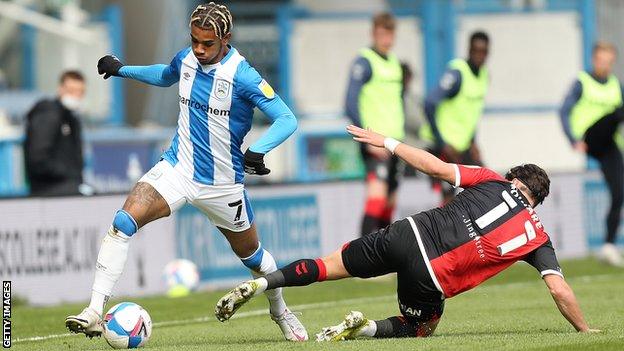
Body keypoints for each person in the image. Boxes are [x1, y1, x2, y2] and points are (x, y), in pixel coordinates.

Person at [215, 125, 599, 340]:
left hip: (407, 230)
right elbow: (558, 289)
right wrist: (585, 329)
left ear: (513, 178)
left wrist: (389, 143)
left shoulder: (491, 179)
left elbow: (435, 167)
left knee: (328, 264)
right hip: (430, 275)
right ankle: (361, 329)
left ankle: (265, 283)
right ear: (537, 201)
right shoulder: (537, 235)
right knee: (421, 327)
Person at [65, 2, 307, 341]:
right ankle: (93, 310)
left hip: (223, 185)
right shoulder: (188, 59)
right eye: (194, 40)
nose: (199, 49)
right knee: (122, 223)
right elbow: (166, 75)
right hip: (178, 169)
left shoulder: (243, 74)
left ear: (226, 39)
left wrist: (257, 150)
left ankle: (280, 311)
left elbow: (287, 118)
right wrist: (122, 69)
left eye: (207, 43)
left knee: (254, 259)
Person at [560, 41, 624, 267]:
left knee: (619, 191)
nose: (604, 65)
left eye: (608, 62)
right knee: (616, 112)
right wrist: (573, 139)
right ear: (594, 60)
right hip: (590, 137)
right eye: (600, 61)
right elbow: (564, 110)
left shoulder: (616, 85)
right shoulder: (582, 82)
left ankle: (608, 246)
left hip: (609, 144)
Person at [345, 12, 406, 236]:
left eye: (389, 34)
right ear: (374, 34)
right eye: (381, 34)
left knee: (390, 200)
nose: (386, 40)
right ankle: (362, 257)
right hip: (375, 143)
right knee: (376, 199)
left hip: (396, 142)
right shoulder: (364, 62)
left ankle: (382, 258)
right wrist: (366, 138)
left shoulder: (395, 63)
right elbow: (350, 102)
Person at [421, 31, 490, 204]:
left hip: (463, 147)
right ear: (469, 50)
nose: (479, 56)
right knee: (448, 202)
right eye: (476, 50)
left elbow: (471, 112)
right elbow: (429, 103)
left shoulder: (484, 76)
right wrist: (442, 143)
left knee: (487, 187)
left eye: (483, 52)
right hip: (444, 147)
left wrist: (473, 140)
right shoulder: (457, 74)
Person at [23, 70, 85, 196]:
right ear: (60, 89)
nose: (76, 95)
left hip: (68, 186)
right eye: (71, 90)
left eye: (80, 92)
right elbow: (38, 158)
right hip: (48, 190)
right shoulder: (48, 115)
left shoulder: (72, 118)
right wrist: (67, 173)